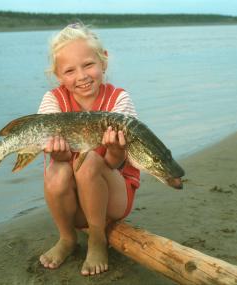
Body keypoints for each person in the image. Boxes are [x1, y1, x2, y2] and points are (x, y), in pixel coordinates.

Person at [37, 22, 140, 276]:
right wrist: (58, 154)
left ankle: (97, 239)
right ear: (59, 76)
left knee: (91, 161)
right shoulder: (53, 101)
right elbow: (50, 149)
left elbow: (118, 162)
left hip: (112, 201)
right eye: (70, 70)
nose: (81, 76)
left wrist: (115, 150)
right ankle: (67, 238)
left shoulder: (119, 100)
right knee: (57, 169)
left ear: (103, 62)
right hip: (75, 208)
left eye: (88, 65)